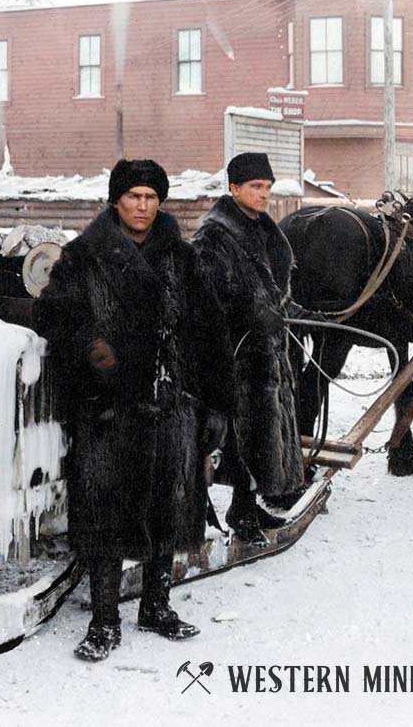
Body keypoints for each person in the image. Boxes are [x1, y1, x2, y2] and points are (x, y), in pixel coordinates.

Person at [34, 158, 235, 662]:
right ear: (115, 200)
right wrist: (90, 348)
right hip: (110, 407)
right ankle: (104, 620)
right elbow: (52, 314)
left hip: (171, 404)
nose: (142, 206)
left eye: (151, 197)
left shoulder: (181, 259)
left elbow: (210, 334)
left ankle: (156, 606)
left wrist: (214, 405)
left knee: (168, 504)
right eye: (133, 197)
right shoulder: (85, 256)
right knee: (105, 511)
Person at [192, 152, 307, 539]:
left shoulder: (261, 228)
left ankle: (248, 508)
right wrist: (250, 312)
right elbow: (205, 295)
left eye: (268, 188)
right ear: (234, 188)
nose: (264, 195)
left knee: (261, 431)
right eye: (256, 187)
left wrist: (288, 310)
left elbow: (273, 289)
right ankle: (240, 515)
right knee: (240, 436)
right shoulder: (214, 235)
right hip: (234, 354)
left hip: (266, 352)